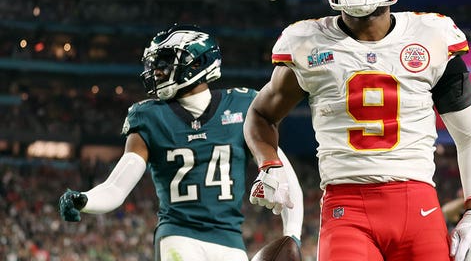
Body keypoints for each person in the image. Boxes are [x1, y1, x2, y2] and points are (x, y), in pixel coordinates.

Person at [242, 0, 471, 260]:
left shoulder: (431, 35)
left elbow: (470, 137)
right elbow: (261, 115)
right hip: (346, 211)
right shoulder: (307, 42)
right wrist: (269, 163)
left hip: (418, 206)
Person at [58, 24, 304, 261]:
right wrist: (86, 200)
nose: (156, 72)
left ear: (197, 63)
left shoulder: (243, 106)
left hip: (230, 240)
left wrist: (292, 234)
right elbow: (117, 187)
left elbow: (279, 171)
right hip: (179, 235)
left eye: (164, 64)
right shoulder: (150, 116)